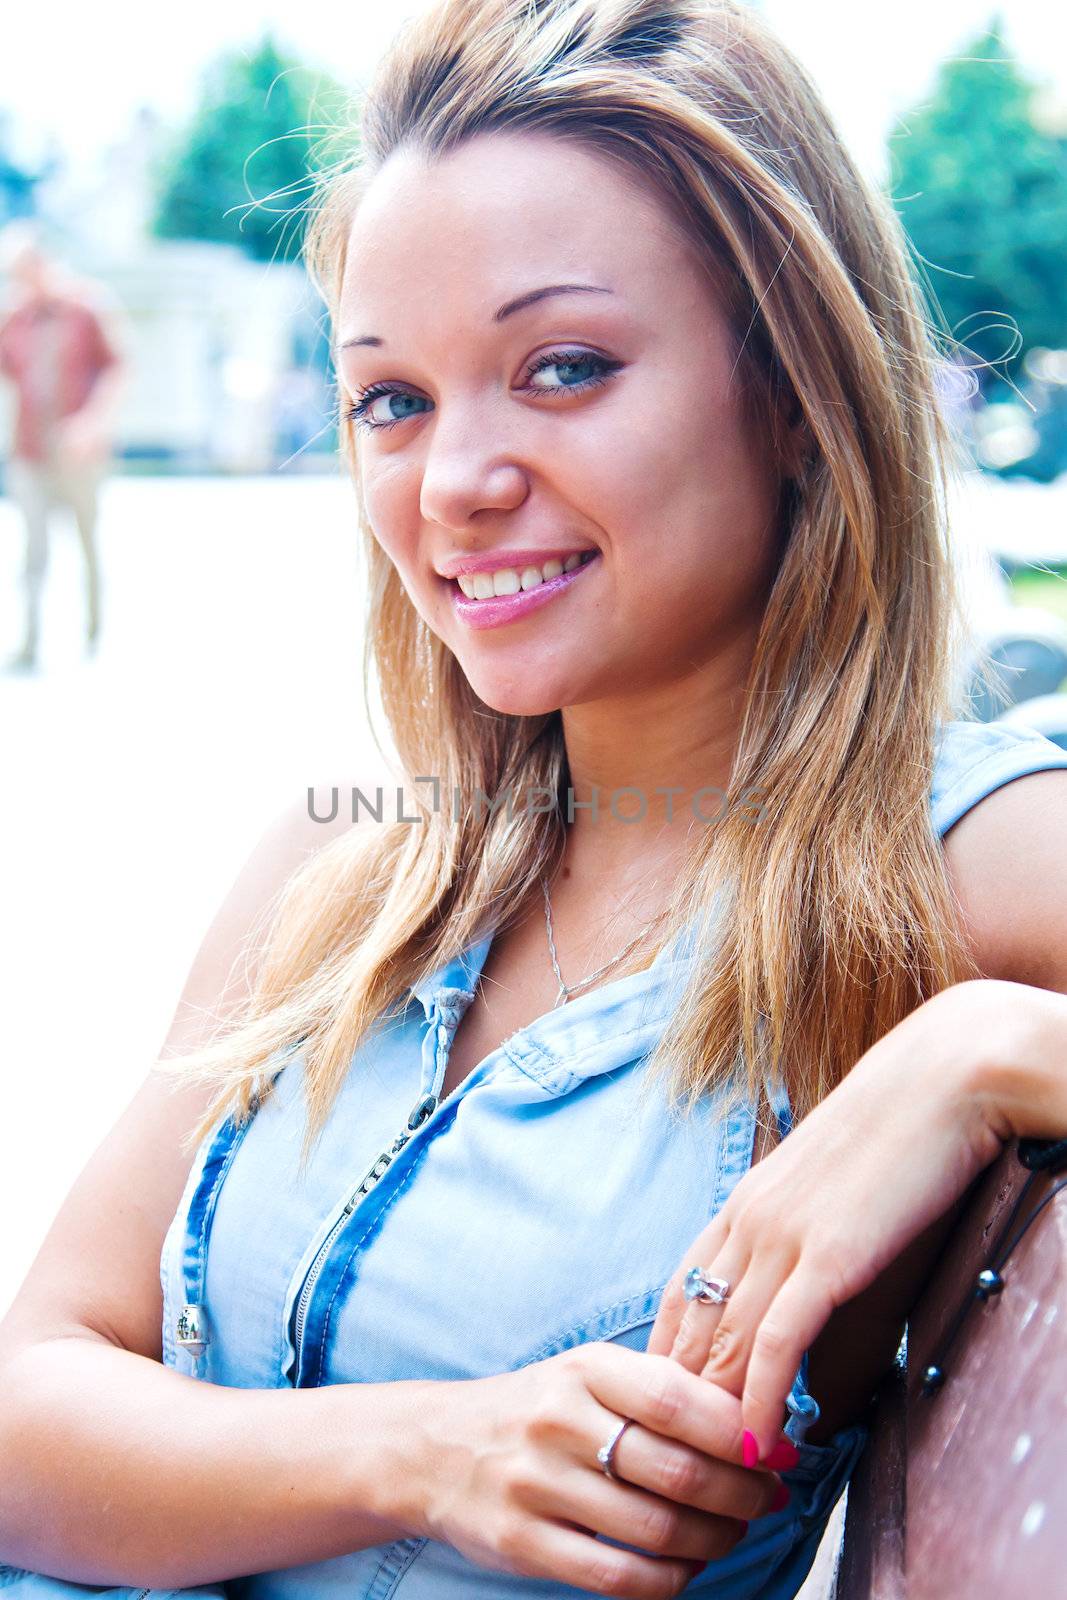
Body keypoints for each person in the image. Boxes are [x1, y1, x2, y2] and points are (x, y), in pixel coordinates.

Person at [1, 1, 1067, 1596]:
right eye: (392, 399)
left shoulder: (951, 859)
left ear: (788, 389)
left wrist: (985, 1052)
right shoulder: (353, 852)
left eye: (560, 369)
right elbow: (31, 1405)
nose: (451, 483)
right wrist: (423, 1452)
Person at [0, 220, 125, 670]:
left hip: (80, 452)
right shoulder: (13, 319)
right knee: (32, 548)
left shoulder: (85, 308)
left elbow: (117, 368)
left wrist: (92, 423)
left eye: (23, 269)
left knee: (86, 542)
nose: (19, 281)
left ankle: (95, 636)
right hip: (30, 449)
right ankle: (29, 642)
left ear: (43, 264)